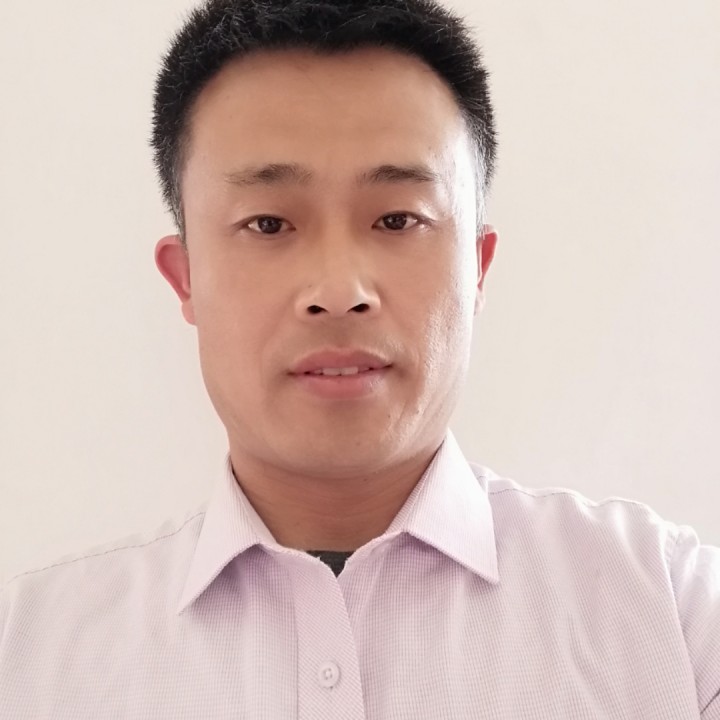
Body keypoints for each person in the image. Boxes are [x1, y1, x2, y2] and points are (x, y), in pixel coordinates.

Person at [1, 0, 718, 717]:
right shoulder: (30, 659)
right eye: (269, 223)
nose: (339, 291)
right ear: (185, 278)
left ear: (476, 267)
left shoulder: (675, 614)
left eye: (398, 219)